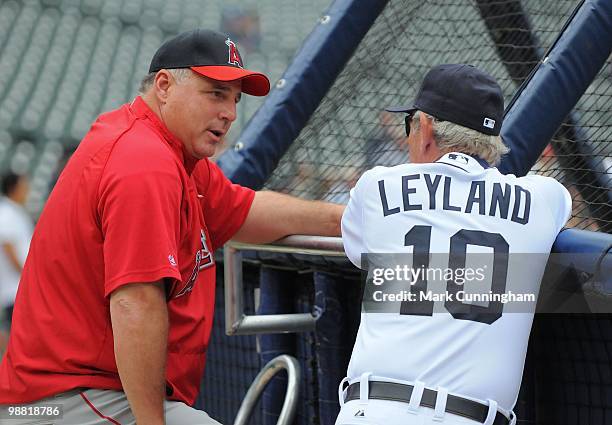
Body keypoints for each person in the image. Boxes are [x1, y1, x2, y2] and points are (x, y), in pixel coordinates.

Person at [0, 29, 344, 425]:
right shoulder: (144, 161)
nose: (230, 113)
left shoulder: (174, 155)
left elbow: (245, 209)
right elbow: (136, 304)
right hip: (67, 397)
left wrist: (344, 219)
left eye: (234, 99)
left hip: (76, 392)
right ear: (164, 85)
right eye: (215, 93)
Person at [337, 64, 571, 425]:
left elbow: (362, 252)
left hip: (372, 410)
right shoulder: (544, 197)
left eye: (411, 125)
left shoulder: (376, 185)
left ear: (426, 128)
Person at [0, 172, 33, 355]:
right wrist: (27, 276)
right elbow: (8, 247)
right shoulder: (6, 213)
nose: (27, 191)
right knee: (19, 343)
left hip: (18, 288)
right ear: (14, 188)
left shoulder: (15, 212)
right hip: (14, 289)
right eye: (24, 186)